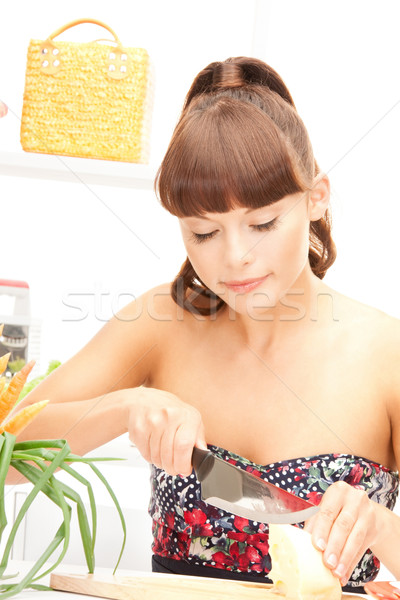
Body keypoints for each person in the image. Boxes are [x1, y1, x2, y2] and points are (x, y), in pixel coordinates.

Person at [11, 57, 400, 589]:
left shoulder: (384, 353)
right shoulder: (161, 324)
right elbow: (9, 453)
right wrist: (122, 408)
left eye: (262, 223)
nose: (235, 257)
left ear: (316, 197)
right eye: (203, 233)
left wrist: (380, 527)